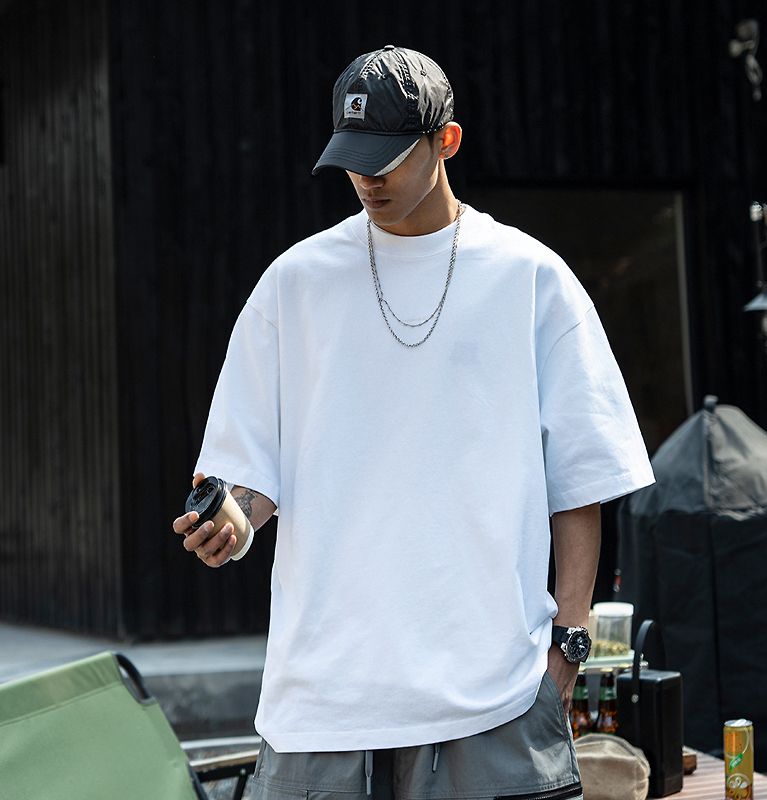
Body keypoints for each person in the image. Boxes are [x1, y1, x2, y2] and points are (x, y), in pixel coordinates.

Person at [173, 45, 654, 800]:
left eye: (388, 158)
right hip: (322, 698)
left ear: (446, 141)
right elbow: (252, 479)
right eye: (352, 160)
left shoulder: (530, 277)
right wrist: (232, 523)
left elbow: (580, 481)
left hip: (492, 692)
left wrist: (569, 641)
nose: (368, 179)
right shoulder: (293, 284)